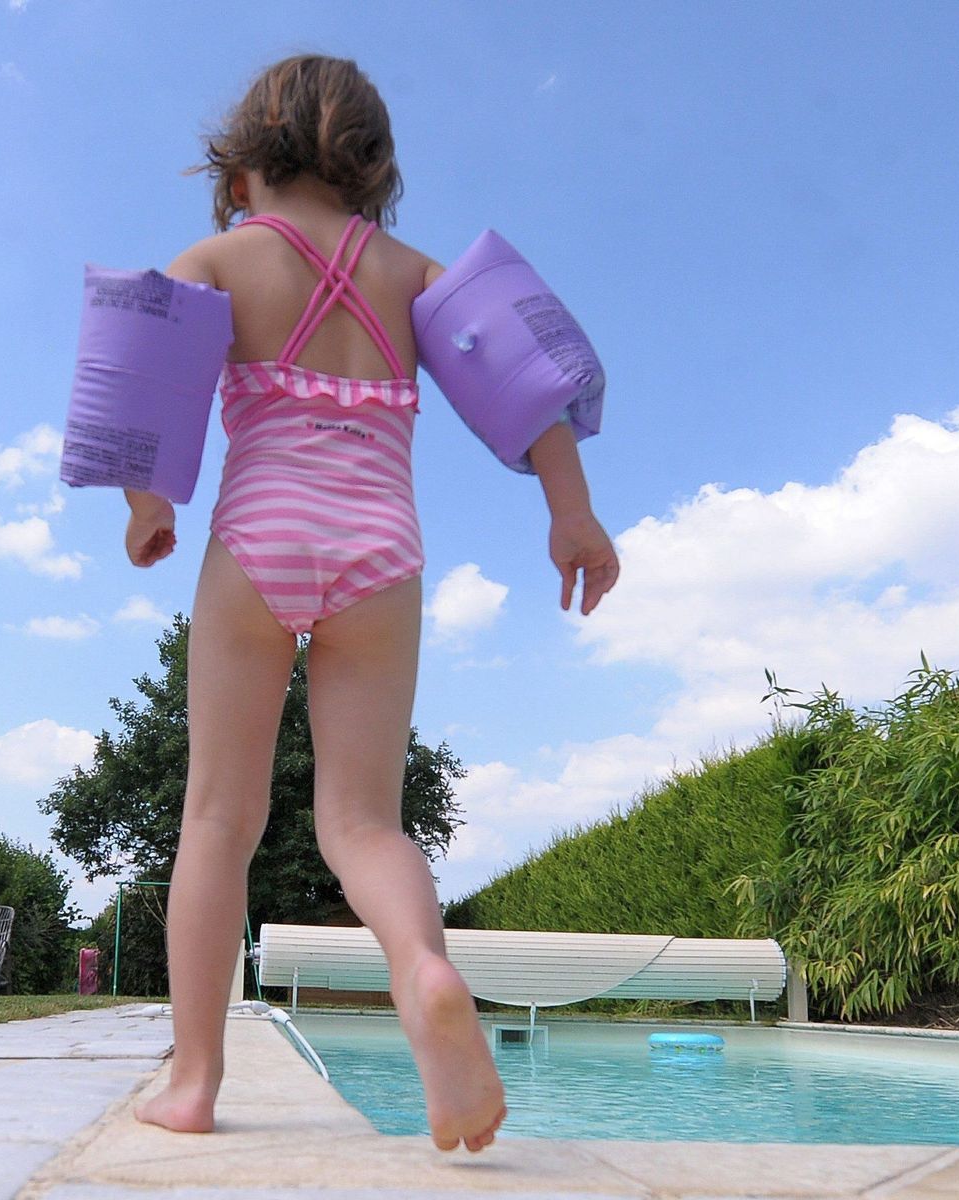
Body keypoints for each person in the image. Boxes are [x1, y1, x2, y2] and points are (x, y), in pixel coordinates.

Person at [125, 54, 620, 1153]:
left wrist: (146, 507)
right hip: (382, 555)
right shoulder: (415, 274)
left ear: (243, 160)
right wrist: (571, 518)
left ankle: (196, 1081)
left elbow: (141, 388)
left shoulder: (216, 257)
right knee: (362, 822)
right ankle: (424, 971)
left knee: (219, 817)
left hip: (257, 544)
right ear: (374, 165)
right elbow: (532, 392)